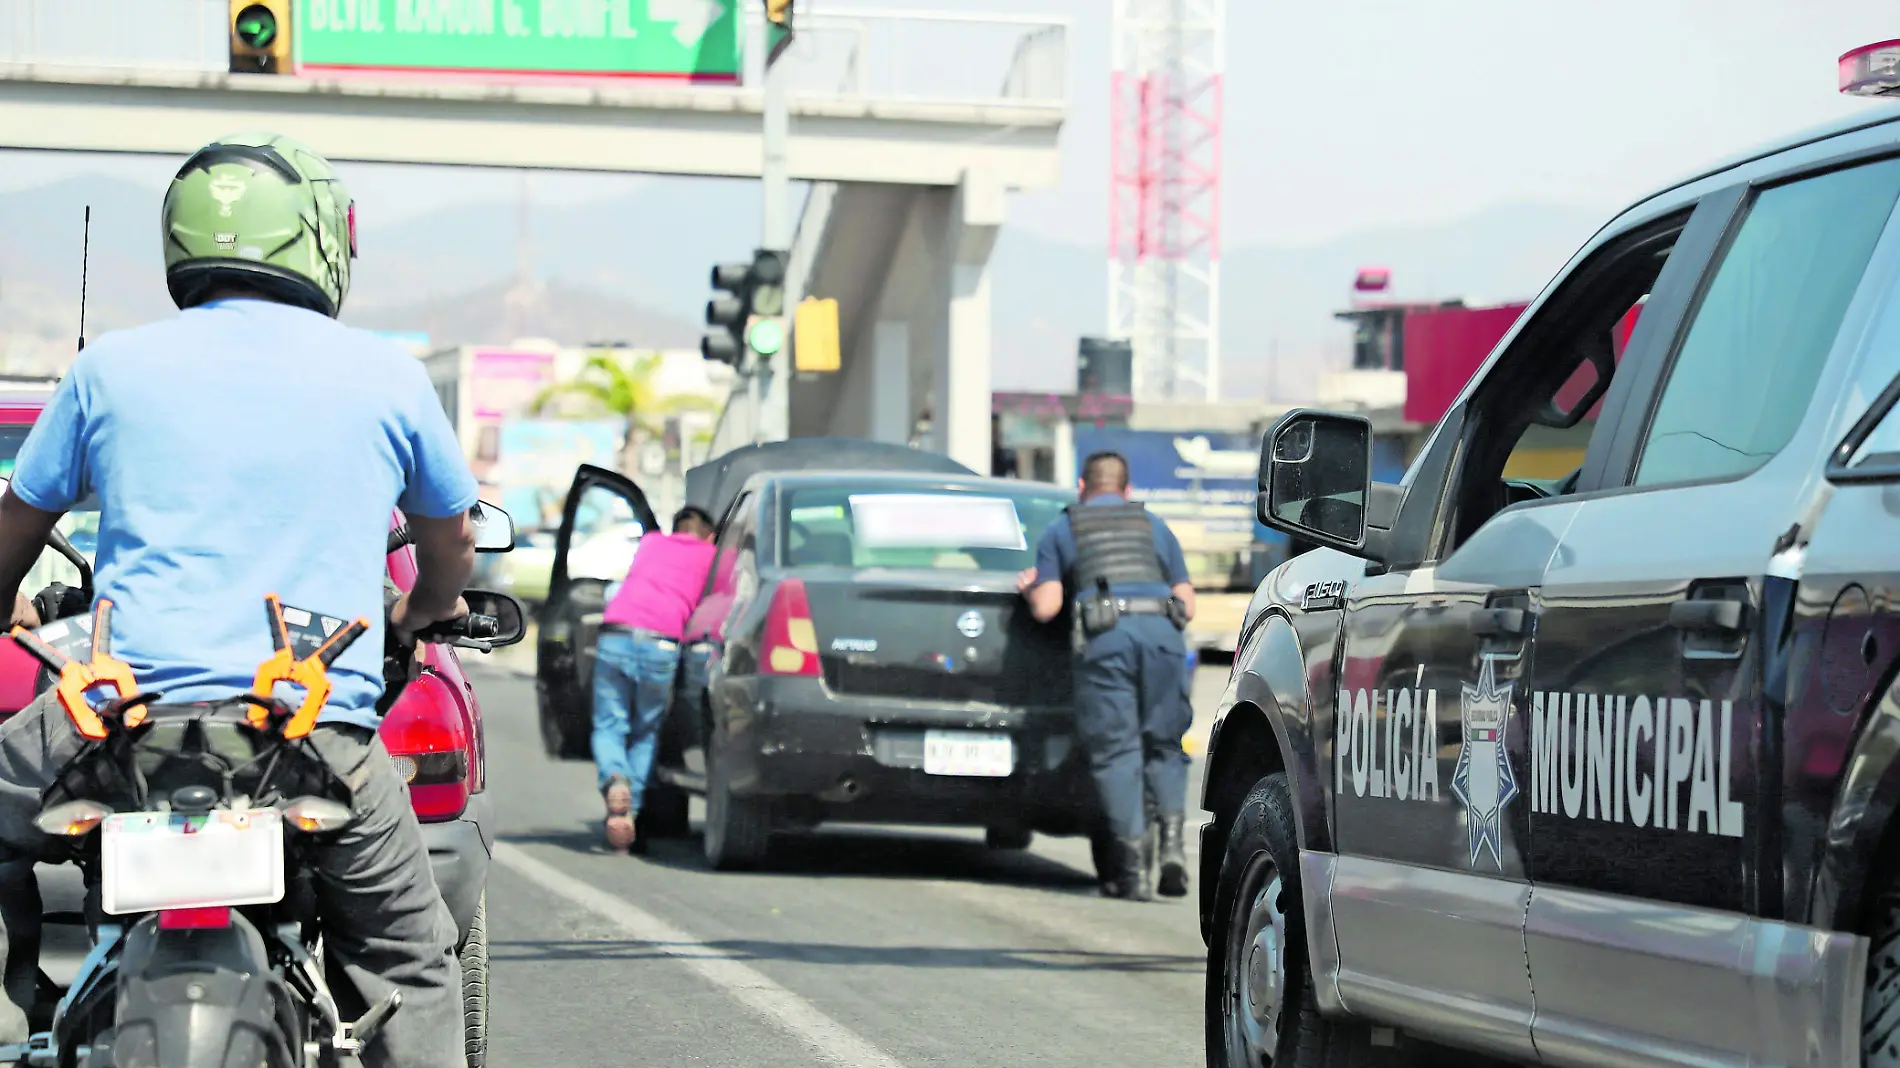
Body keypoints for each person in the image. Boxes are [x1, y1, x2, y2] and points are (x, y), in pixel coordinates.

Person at [0, 132, 475, 1068]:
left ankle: (27, 1011)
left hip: (113, 724)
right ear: (317, 239)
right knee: (413, 965)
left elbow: (17, 525)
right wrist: (425, 613)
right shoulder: (387, 374)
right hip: (308, 737)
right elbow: (449, 539)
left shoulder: (110, 369)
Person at [1017, 451, 1196, 901]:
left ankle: (1133, 872)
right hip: (1163, 637)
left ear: (1082, 486)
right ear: (1127, 489)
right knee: (1165, 745)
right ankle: (1173, 844)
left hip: (1108, 639)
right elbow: (1188, 604)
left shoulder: (1064, 527)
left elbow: (1047, 608)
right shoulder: (1153, 525)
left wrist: (1030, 587)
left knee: (1118, 753)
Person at [594, 504, 718, 854]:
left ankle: (614, 779)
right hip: (661, 643)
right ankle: (630, 811)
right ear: (709, 535)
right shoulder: (711, 555)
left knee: (609, 724)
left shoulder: (650, 542)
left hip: (615, 633)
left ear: (672, 529)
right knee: (645, 731)